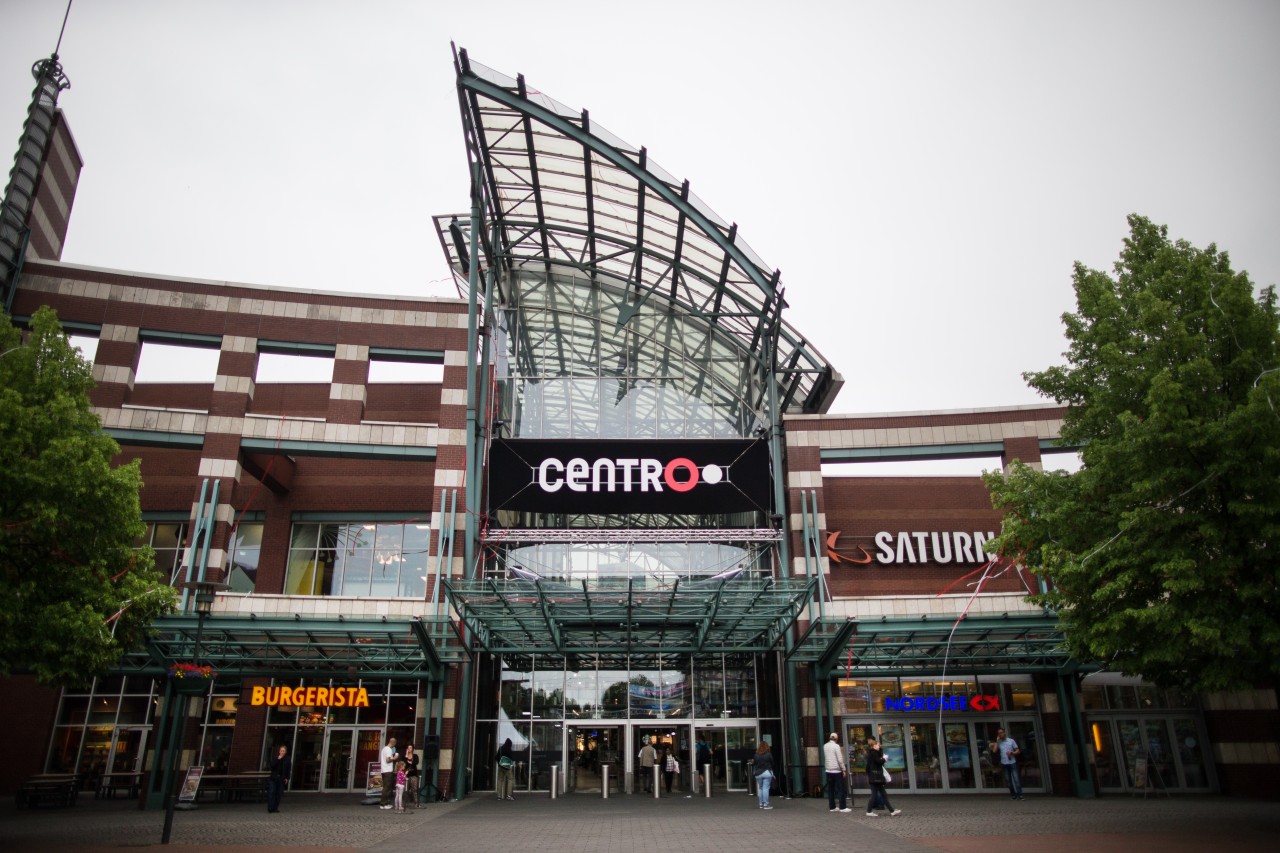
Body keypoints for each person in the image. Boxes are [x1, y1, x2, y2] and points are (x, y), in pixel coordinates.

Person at [864, 736, 901, 817]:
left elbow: (868, 767)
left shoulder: (872, 753)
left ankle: (891, 811)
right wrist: (884, 758)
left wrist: (869, 773)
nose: (879, 746)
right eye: (877, 745)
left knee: (882, 794)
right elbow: (878, 761)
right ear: (874, 746)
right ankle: (869, 811)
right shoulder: (874, 753)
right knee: (877, 794)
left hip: (874, 777)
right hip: (876, 777)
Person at [992, 727, 1023, 800]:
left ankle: (1020, 795)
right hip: (1004, 763)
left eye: (1001, 732)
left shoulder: (1011, 741)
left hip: (1012, 762)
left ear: (1004, 733)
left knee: (1016, 779)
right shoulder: (999, 742)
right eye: (999, 733)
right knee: (1008, 781)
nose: (1000, 734)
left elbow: (1018, 751)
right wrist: (997, 741)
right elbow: (994, 751)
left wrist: (1012, 753)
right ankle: (1013, 795)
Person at [823, 732, 851, 813]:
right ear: (836, 738)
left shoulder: (825, 746)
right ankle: (843, 807)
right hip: (836, 770)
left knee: (830, 789)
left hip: (828, 770)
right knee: (840, 789)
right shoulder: (836, 746)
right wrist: (843, 769)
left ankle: (832, 807)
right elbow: (840, 759)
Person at [266, 744, 291, 814]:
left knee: (279, 794)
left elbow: (288, 769)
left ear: (285, 752)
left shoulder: (287, 759)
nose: (282, 752)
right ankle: (270, 808)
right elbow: (272, 766)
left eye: (283, 751)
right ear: (279, 751)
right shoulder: (275, 758)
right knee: (271, 792)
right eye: (281, 751)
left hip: (281, 778)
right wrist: (278, 759)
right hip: (273, 778)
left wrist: (287, 778)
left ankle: (275, 808)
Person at [753, 741, 775, 810]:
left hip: (758, 773)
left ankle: (761, 804)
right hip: (767, 772)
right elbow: (772, 763)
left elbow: (755, 763)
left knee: (761, 788)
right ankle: (765, 804)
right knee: (766, 788)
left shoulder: (756, 755)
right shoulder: (768, 754)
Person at [379, 736, 398, 810]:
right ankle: (383, 804)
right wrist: (395, 758)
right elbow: (388, 760)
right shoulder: (389, 750)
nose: (394, 746)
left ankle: (385, 802)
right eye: (394, 744)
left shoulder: (384, 749)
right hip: (387, 770)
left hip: (384, 770)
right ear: (393, 743)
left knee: (385, 787)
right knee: (387, 787)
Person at [402, 743, 421, 808]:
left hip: (413, 774)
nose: (409, 749)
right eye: (408, 748)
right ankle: (404, 803)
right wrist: (406, 756)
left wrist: (410, 762)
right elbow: (403, 763)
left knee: (414, 789)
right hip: (406, 775)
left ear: (412, 749)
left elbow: (416, 762)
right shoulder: (405, 756)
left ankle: (416, 803)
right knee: (406, 789)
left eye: (410, 748)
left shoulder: (415, 756)